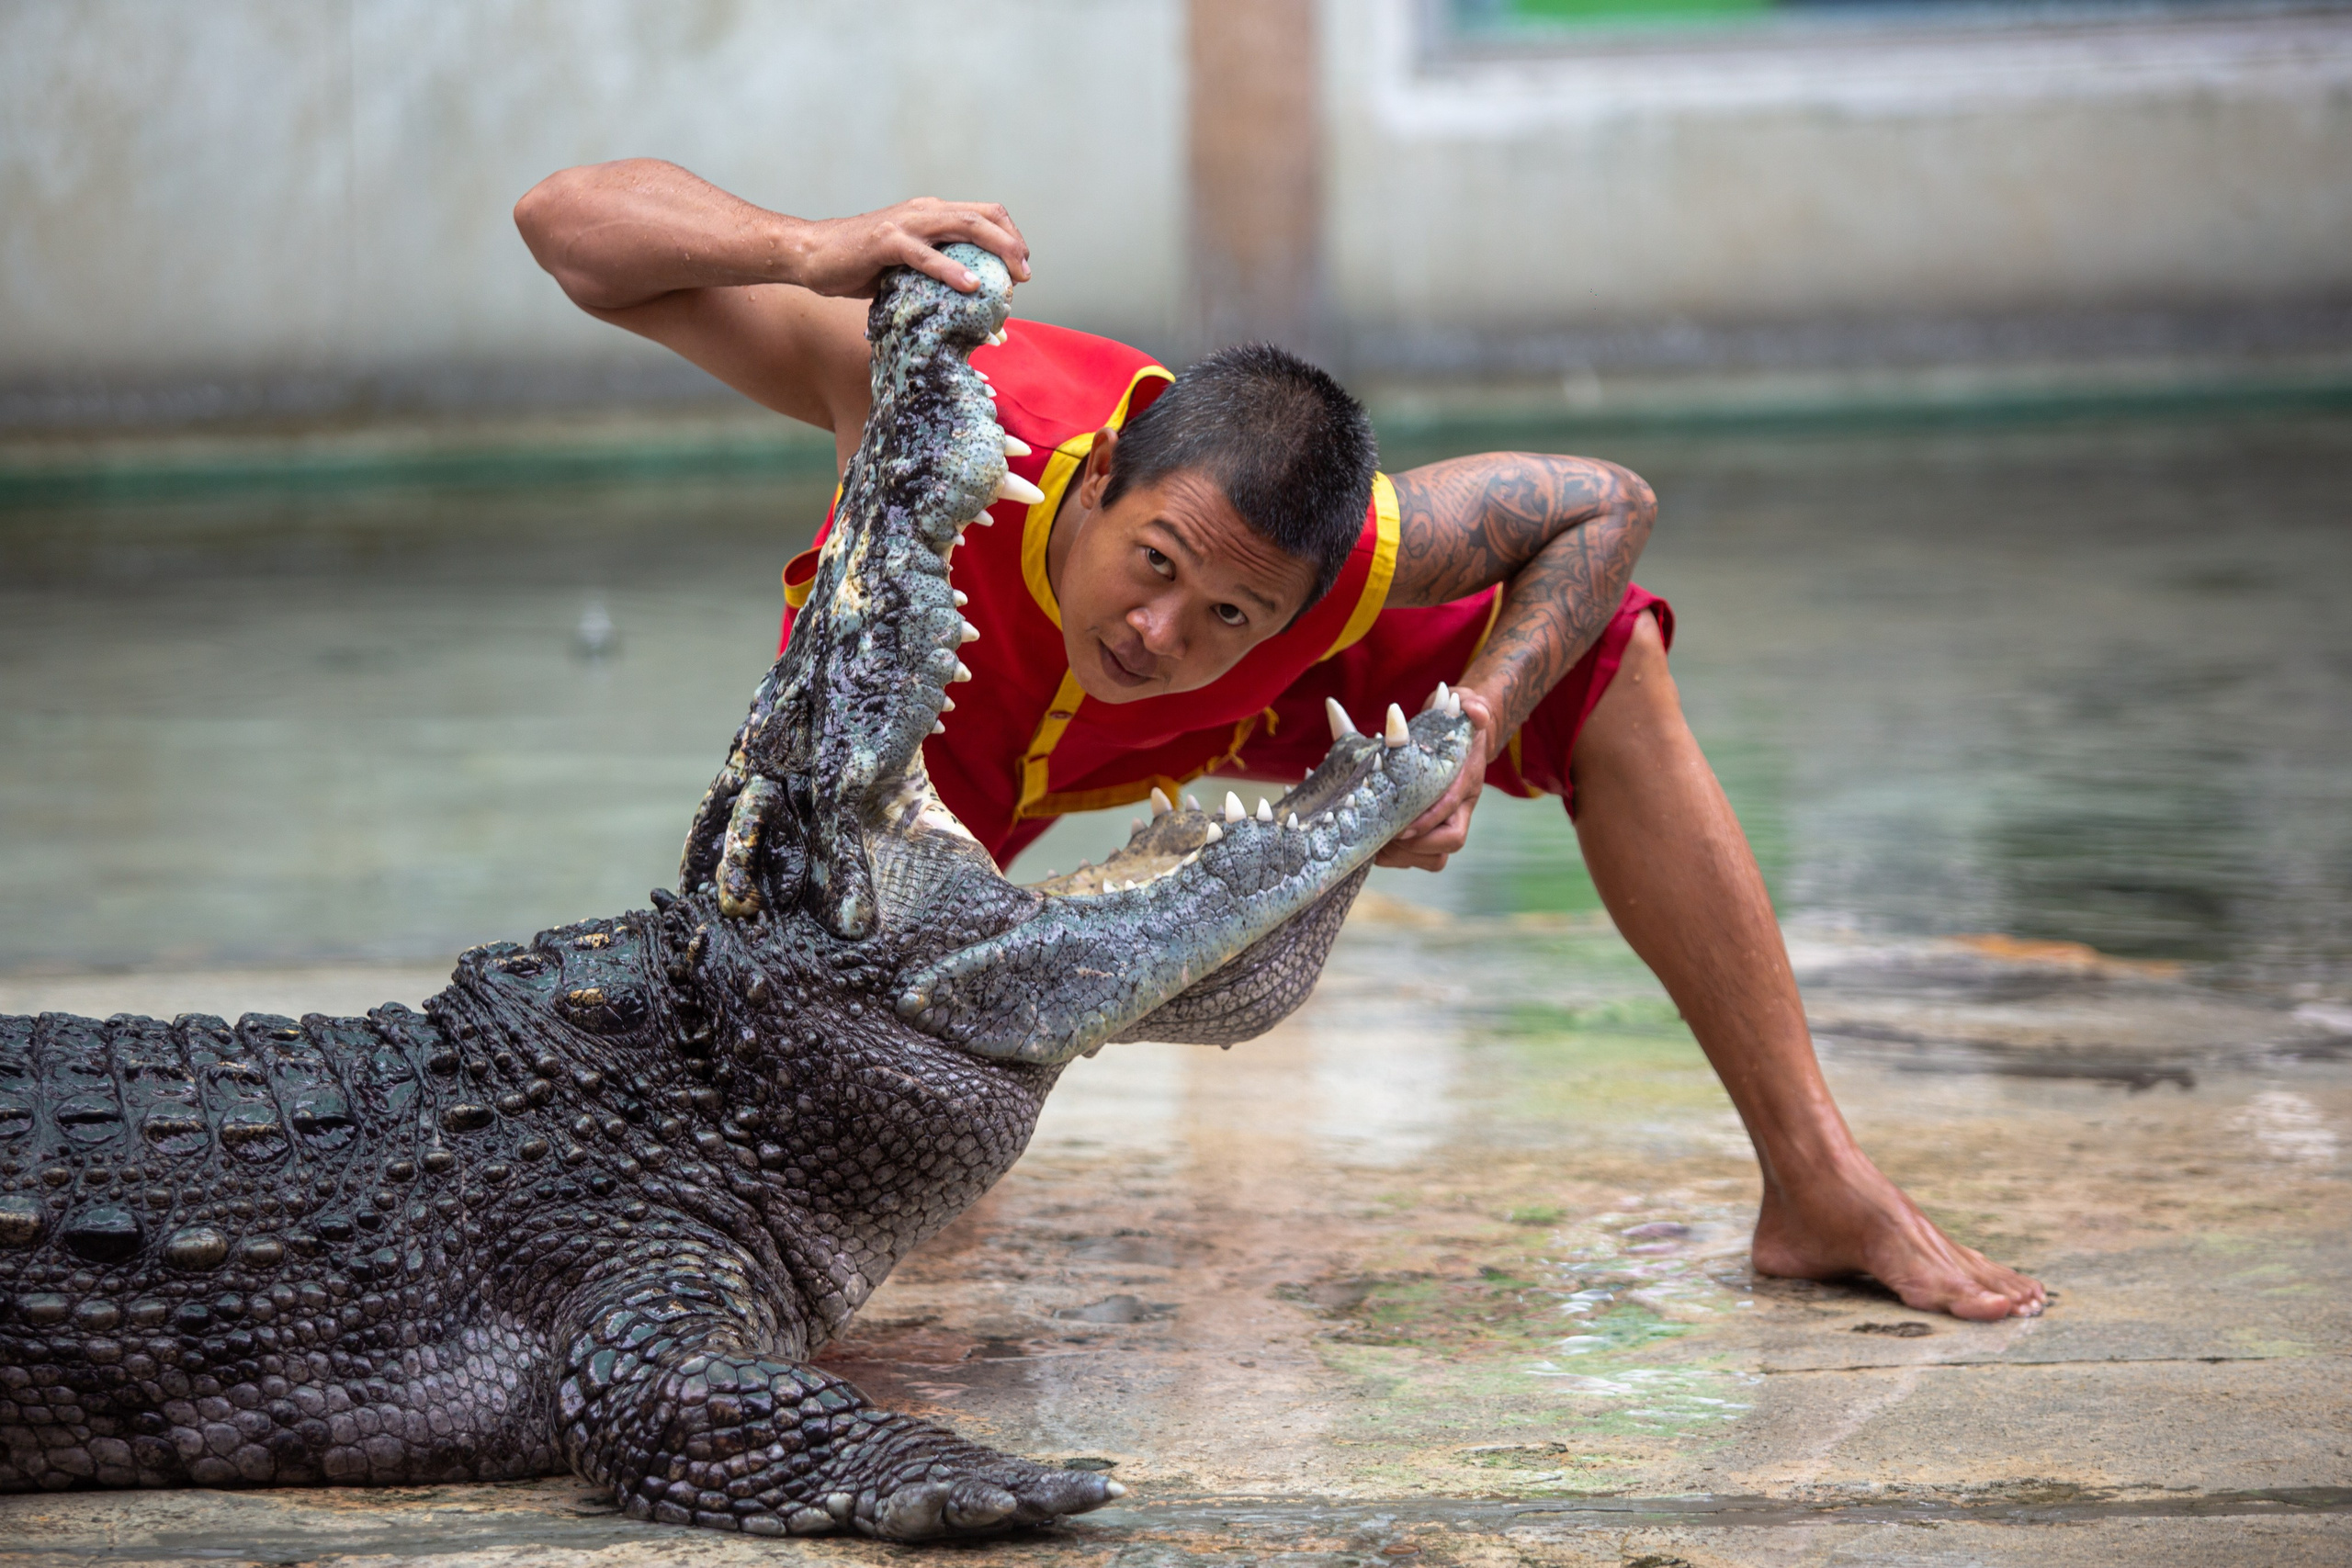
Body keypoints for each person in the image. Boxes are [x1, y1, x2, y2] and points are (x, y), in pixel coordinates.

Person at [515, 163, 2044, 1321]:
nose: (1159, 630)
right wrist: (808, 248)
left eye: (1233, 606)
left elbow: (1606, 501)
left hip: (1220, 731)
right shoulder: (963, 411)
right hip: (935, 723)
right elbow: (563, 227)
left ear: (1313, 590)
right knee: (872, 1178)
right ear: (1105, 473)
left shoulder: (1336, 568)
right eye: (1157, 561)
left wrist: (1474, 726)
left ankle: (1817, 1181)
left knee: (1615, 668)